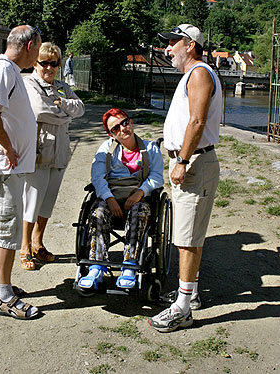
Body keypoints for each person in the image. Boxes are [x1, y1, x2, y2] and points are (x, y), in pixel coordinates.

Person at [148, 24, 222, 333]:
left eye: (173, 43)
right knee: (188, 234)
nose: (168, 49)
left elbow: (197, 120)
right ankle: (187, 295)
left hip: (194, 163)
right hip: (191, 160)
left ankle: (183, 308)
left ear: (190, 45)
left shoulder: (200, 73)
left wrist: (181, 159)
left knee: (188, 238)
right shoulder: (192, 75)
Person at [0, 25, 42, 320]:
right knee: (6, 232)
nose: (39, 56)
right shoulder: (2, 69)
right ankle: (4, 296)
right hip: (3, 169)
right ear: (29, 47)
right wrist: (7, 146)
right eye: (38, 50)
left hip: (1, 168)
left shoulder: (8, 70)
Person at [78, 108, 164, 290]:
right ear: (111, 134)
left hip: (139, 198)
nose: (122, 129)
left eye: (124, 122)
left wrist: (140, 192)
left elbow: (157, 177)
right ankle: (96, 265)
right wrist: (109, 199)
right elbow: (98, 178)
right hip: (111, 197)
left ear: (130, 122)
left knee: (138, 211)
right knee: (98, 212)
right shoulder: (106, 150)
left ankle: (130, 264)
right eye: (115, 128)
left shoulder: (150, 148)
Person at [20, 42, 84, 269]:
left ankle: (38, 242)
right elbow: (40, 111)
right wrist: (66, 115)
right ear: (35, 63)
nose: (48, 68)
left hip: (59, 151)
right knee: (33, 200)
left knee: (48, 201)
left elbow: (80, 108)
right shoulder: (29, 83)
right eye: (44, 63)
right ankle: (25, 246)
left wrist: (63, 104)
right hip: (39, 150)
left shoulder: (61, 86)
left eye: (53, 63)